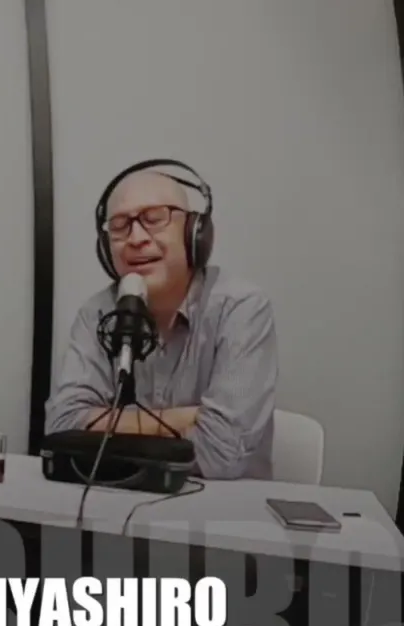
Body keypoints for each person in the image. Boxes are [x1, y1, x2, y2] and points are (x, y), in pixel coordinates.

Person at [45, 160, 277, 480]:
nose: (136, 238)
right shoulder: (97, 314)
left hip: (225, 507)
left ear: (194, 232)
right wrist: (189, 418)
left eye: (154, 219)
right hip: (119, 502)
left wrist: (108, 427)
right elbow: (62, 427)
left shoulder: (241, 308)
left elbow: (220, 452)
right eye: (120, 226)